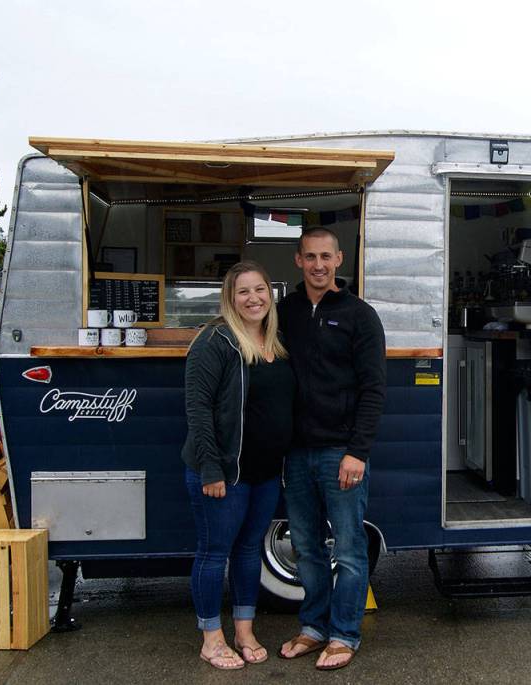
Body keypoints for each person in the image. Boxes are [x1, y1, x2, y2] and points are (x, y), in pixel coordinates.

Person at [276, 227, 386, 671]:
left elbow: (374, 389)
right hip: (297, 452)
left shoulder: (360, 315)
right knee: (306, 548)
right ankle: (314, 628)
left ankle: (344, 634)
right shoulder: (285, 312)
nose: (318, 265)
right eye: (310, 257)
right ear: (298, 260)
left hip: (342, 453)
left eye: (326, 257)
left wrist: (358, 452)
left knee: (350, 549)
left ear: (339, 260)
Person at [180, 261, 294, 670]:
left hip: (265, 471)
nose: (253, 298)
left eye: (260, 289)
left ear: (270, 293)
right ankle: (212, 639)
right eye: (243, 291)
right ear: (230, 298)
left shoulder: (276, 340)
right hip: (225, 473)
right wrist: (211, 468)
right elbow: (198, 409)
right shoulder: (215, 340)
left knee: (248, 550)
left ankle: (244, 631)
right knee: (214, 552)